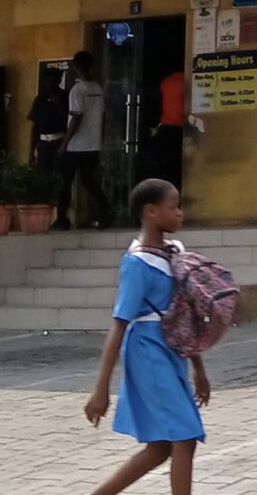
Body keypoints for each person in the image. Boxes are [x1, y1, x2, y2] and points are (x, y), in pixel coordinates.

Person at [83, 178, 208, 495]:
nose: (180, 213)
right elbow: (118, 326)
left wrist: (199, 369)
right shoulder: (137, 263)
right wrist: (101, 390)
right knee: (185, 437)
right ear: (151, 211)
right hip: (147, 352)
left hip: (172, 350)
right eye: (173, 207)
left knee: (160, 447)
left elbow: (184, 315)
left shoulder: (174, 253)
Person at [61, 52, 107, 230]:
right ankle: (105, 207)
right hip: (93, 143)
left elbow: (76, 118)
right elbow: (103, 115)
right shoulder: (97, 88)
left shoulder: (77, 90)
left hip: (76, 145)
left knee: (65, 181)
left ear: (76, 67)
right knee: (88, 180)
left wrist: (65, 143)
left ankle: (62, 218)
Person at [30, 67, 69, 175]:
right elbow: (34, 126)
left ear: (59, 81)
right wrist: (31, 152)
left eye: (53, 81)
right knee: (43, 175)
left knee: (59, 175)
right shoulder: (40, 99)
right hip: (43, 143)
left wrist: (58, 104)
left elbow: (69, 120)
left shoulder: (66, 97)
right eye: (47, 81)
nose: (50, 85)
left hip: (59, 141)